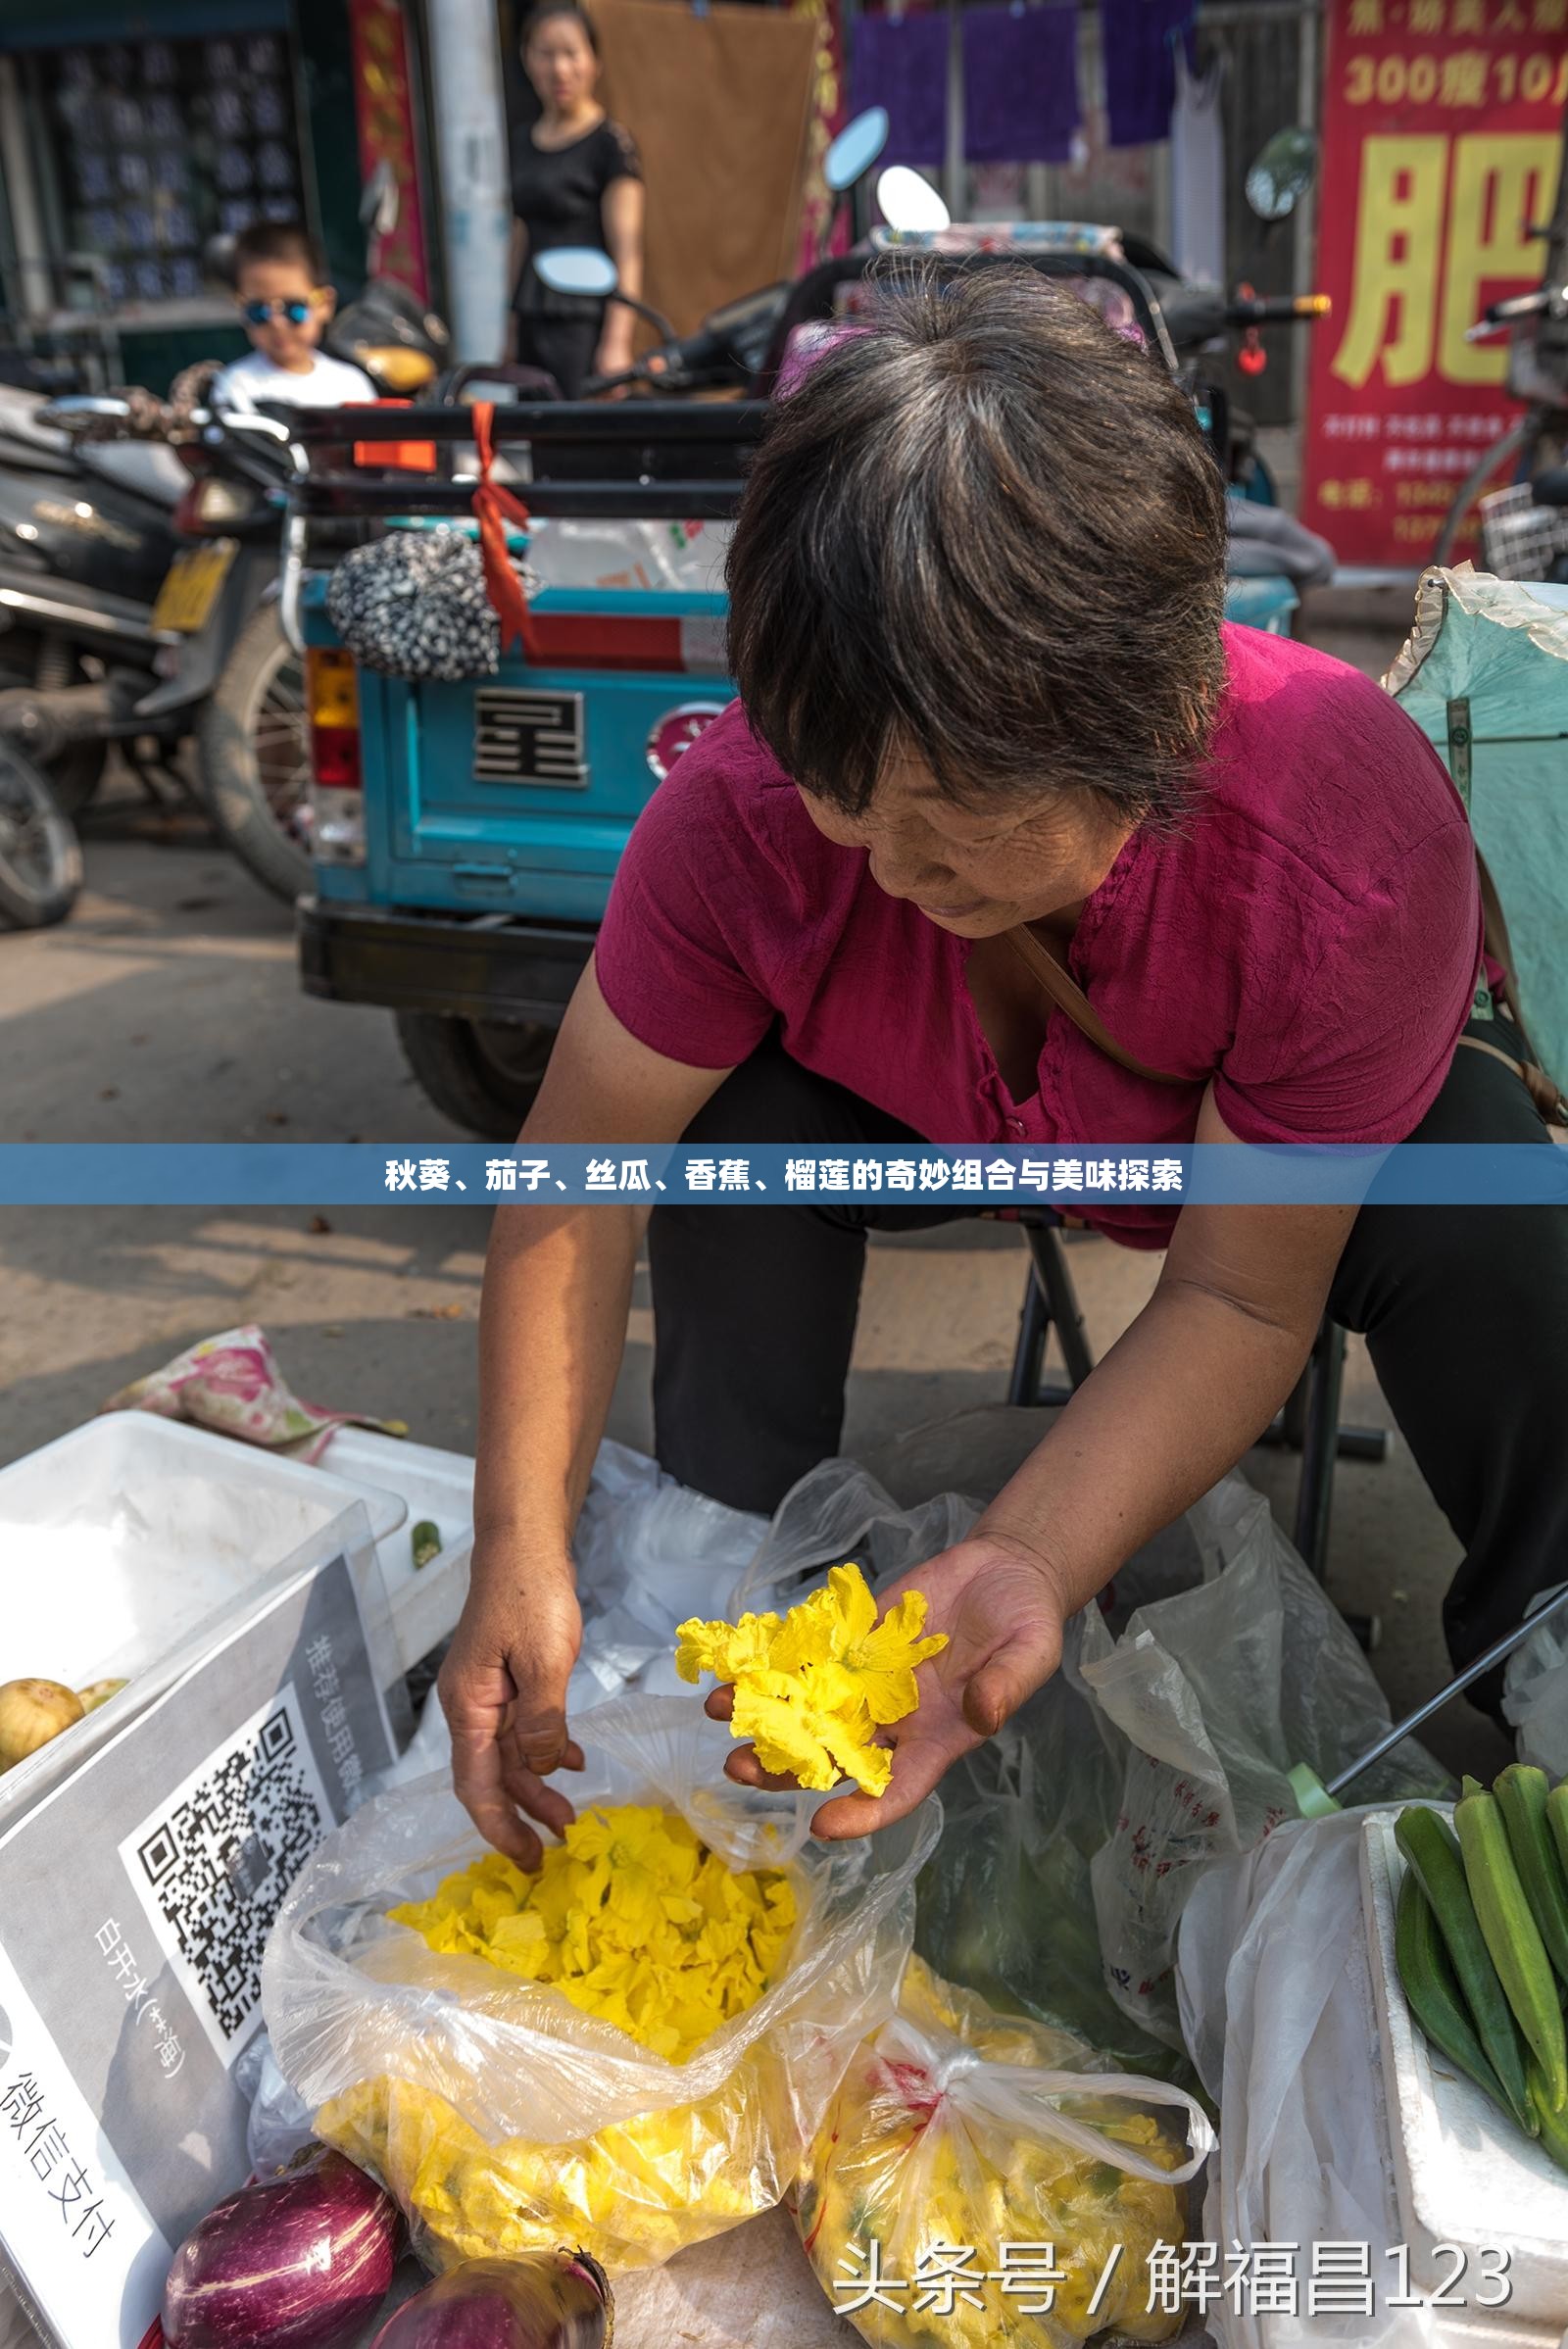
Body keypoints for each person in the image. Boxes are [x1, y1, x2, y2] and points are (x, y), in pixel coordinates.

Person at [439, 267, 1568, 1870]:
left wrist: (1029, 1548)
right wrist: (518, 1538)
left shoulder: (1344, 838)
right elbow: (578, 1174)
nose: (888, 864)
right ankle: (732, 1587)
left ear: (1155, 714)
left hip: (1220, 1140)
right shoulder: (749, 813)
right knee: (725, 1134)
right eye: (846, 795)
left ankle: (1547, 1647)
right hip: (916, 1116)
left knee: (1489, 1203)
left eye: (954, 818)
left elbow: (1245, 1297)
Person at [510, 1, 645, 397]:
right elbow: (520, 236)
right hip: (532, 317)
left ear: (594, 61)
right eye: (546, 54)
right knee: (537, 437)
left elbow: (629, 251)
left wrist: (617, 341)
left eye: (571, 53)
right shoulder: (522, 141)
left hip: (583, 325)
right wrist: (509, 325)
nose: (560, 69)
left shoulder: (610, 145)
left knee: (582, 443)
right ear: (527, 59)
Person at [211, 221, 376, 412]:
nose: (276, 323)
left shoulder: (351, 385)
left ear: (325, 305)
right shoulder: (235, 387)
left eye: (293, 309)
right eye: (257, 311)